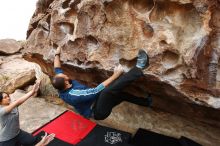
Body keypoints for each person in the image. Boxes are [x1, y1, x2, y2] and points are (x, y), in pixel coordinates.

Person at [52, 46, 152, 120]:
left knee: (120, 94)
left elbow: (57, 68)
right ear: (66, 83)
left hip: (96, 102)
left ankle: (146, 102)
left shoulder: (62, 84)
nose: (65, 74)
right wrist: (115, 75)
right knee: (107, 92)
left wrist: (57, 53)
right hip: (97, 112)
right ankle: (140, 67)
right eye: (64, 76)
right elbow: (97, 90)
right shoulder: (74, 95)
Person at [0, 81, 55, 146]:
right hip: (7, 139)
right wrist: (32, 91)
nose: (8, 98)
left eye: (8, 96)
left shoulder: (13, 105)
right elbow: (18, 102)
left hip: (18, 133)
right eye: (5, 97)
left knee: (33, 140)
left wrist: (33, 91)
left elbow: (22, 100)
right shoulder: (1, 111)